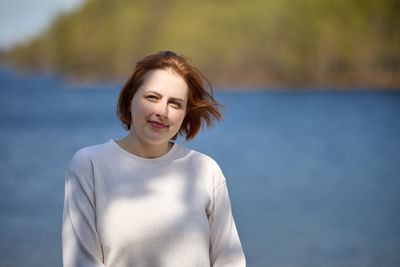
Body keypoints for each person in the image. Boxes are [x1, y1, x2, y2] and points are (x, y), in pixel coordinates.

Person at [62, 51, 246, 267]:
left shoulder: (206, 170)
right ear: (130, 99)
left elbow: (230, 261)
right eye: (152, 97)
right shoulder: (88, 165)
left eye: (175, 103)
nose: (162, 111)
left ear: (185, 113)